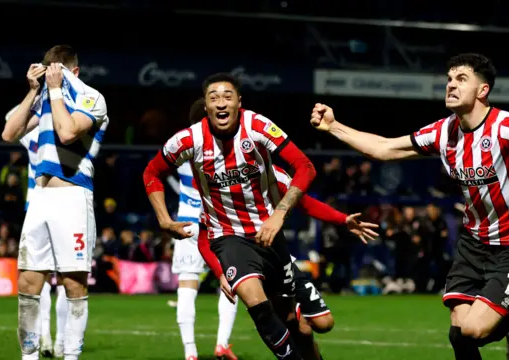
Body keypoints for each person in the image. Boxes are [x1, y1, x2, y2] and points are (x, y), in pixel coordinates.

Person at [310, 53, 509, 360]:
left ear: (482, 91)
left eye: (461, 79)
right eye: (448, 79)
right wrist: (334, 126)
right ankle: (507, 316)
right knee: (459, 333)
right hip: (474, 242)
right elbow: (384, 148)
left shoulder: (505, 126)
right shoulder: (444, 132)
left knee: (472, 330)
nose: (451, 85)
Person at [143, 73, 316, 360]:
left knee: (304, 323)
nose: (221, 103)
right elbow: (152, 172)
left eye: (227, 97)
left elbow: (305, 167)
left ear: (239, 102)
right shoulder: (189, 140)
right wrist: (163, 218)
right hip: (226, 235)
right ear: (206, 106)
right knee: (253, 300)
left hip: (268, 232)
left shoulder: (258, 127)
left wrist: (279, 214)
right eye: (213, 98)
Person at [197, 163, 379, 360]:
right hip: (250, 263)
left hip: (281, 261)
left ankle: (296, 317)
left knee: (324, 323)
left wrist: (343, 220)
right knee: (299, 329)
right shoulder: (218, 185)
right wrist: (220, 273)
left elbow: (306, 203)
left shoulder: (276, 177)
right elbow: (203, 237)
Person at [2, 45, 109, 360]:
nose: (51, 75)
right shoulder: (45, 100)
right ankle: (30, 357)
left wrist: (55, 91)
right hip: (40, 198)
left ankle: (70, 355)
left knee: (73, 283)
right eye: (47, 69)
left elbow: (67, 132)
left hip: (73, 197)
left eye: (56, 70)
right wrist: (34, 92)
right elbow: (9, 132)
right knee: (27, 282)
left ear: (72, 72)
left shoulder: (93, 98)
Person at [5, 105, 69, 358]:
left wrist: (35, 96)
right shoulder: (70, 130)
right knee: (63, 276)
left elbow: (11, 118)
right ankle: (55, 339)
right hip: (62, 205)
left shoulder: (34, 135)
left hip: (40, 205)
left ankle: (49, 337)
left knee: (40, 274)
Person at [166, 160, 238, 360]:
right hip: (218, 224)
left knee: (187, 283)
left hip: (187, 224)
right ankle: (222, 344)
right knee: (231, 281)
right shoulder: (224, 150)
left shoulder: (184, 145)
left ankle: (190, 352)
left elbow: (158, 168)